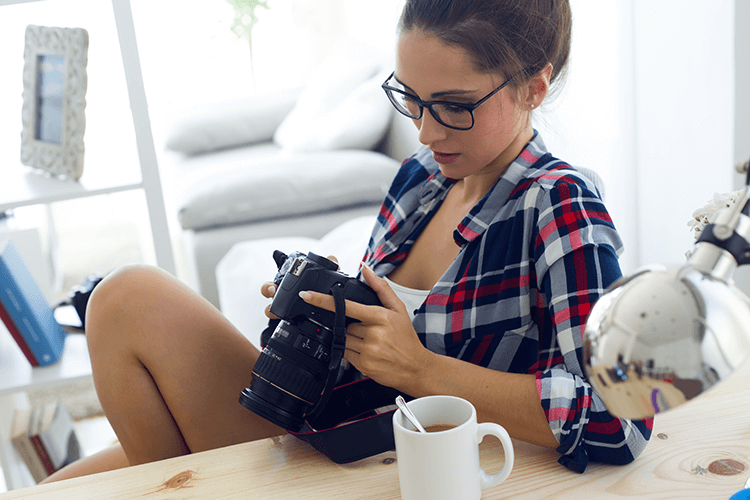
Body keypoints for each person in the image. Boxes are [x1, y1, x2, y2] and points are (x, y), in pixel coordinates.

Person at [44, 0, 650, 483]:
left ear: (534, 87)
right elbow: (376, 342)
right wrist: (321, 308)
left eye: (455, 106)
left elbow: (620, 417)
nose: (427, 128)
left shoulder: (559, 205)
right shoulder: (422, 178)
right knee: (117, 321)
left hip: (382, 463)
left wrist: (422, 369)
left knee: (130, 301)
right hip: (323, 420)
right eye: (411, 98)